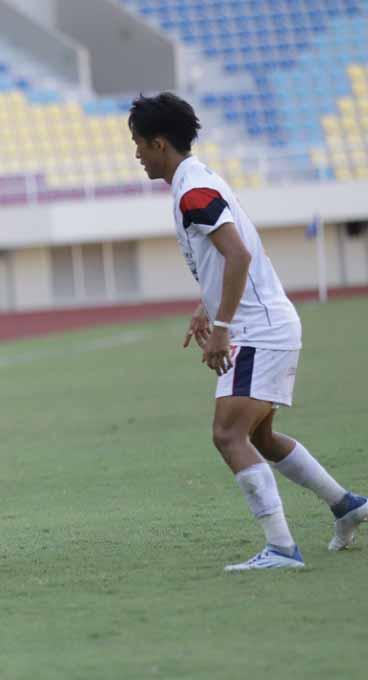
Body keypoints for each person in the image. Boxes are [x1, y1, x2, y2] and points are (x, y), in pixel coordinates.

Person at [128, 92, 367, 570]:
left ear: (159, 143)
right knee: (261, 437)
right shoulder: (197, 183)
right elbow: (226, 259)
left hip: (259, 331)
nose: (135, 155)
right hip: (264, 325)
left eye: (138, 144)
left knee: (227, 435)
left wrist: (221, 327)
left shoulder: (194, 191)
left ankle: (281, 548)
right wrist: (206, 306)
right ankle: (347, 506)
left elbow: (239, 255)